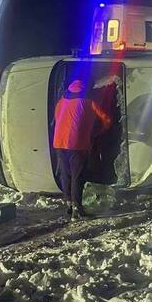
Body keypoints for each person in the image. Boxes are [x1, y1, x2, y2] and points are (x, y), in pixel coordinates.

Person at [52, 78, 112, 218]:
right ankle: (77, 209)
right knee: (77, 177)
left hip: (59, 143)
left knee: (66, 175)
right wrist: (98, 132)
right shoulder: (89, 102)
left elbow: (57, 119)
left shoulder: (61, 102)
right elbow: (107, 120)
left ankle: (68, 204)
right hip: (77, 144)